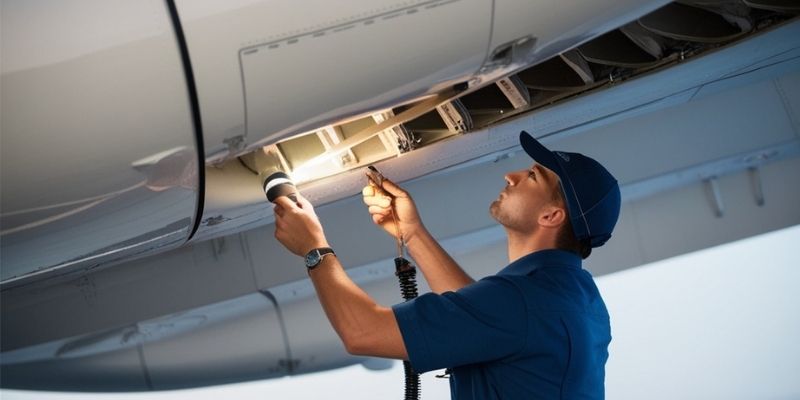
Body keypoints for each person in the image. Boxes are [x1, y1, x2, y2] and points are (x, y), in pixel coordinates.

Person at [272, 130, 621, 399]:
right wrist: (413, 232)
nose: (510, 176)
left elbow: (363, 333)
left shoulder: (525, 302)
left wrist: (314, 248)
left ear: (551, 215)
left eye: (532, 176)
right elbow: (487, 320)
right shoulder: (573, 299)